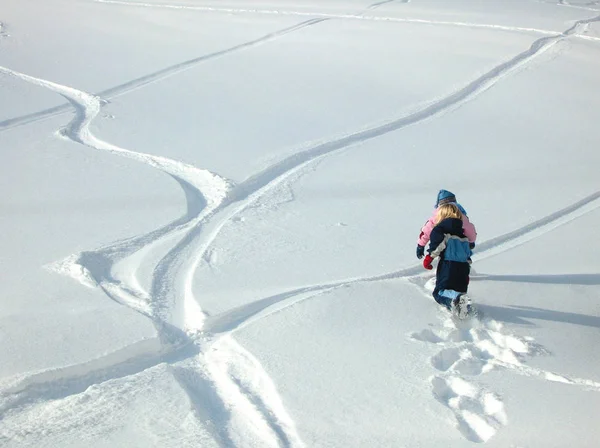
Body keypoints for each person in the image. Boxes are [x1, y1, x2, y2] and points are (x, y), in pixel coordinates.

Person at [421, 203, 473, 316]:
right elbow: (467, 255)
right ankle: (463, 306)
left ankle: (456, 300)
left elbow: (437, 245)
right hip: (463, 268)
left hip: (448, 266)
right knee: (459, 289)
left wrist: (429, 259)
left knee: (439, 293)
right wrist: (467, 274)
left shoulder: (440, 230)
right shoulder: (463, 236)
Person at [416, 189, 476, 260]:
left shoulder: (437, 216)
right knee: (462, 261)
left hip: (443, 247)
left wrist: (421, 245)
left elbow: (427, 231)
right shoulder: (460, 215)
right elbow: (470, 229)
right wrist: (471, 241)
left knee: (444, 261)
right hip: (459, 246)